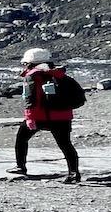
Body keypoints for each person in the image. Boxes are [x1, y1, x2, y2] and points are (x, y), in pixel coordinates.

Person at [11, 48, 82, 183]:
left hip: (40, 117)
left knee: (21, 138)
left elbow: (30, 99)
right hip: (63, 116)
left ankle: (21, 167)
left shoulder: (32, 75)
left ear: (30, 63)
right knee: (66, 145)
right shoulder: (59, 74)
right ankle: (74, 173)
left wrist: (30, 118)